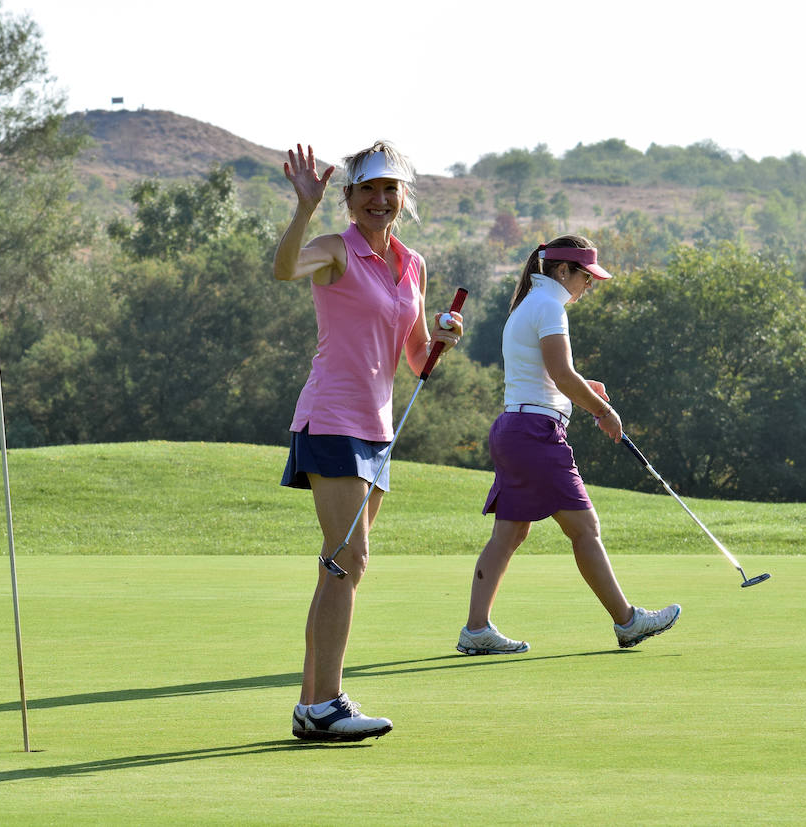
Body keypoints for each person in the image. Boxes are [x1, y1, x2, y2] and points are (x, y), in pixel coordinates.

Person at [274, 141, 462, 741]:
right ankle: (325, 703)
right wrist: (305, 208)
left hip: (377, 430)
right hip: (331, 419)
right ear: (350, 198)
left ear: (404, 197)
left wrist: (441, 341)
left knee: (341, 568)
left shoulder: (414, 265)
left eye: (389, 190)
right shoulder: (335, 249)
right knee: (347, 560)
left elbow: (412, 357)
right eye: (367, 190)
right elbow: (283, 269)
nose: (379, 200)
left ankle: (313, 705)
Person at [455, 235, 680, 657]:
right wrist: (602, 411)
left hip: (515, 429)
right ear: (563, 271)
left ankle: (476, 629)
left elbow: (546, 375)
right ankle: (627, 621)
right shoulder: (549, 307)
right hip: (536, 435)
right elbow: (560, 374)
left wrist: (580, 389)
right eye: (585, 276)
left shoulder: (530, 304)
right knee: (584, 529)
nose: (588, 285)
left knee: (508, 534)